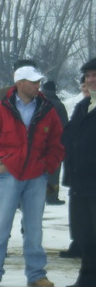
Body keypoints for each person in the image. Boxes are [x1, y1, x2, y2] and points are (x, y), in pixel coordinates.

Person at [0, 65, 65, 287]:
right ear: (20, 83)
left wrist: (46, 166)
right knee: (1, 226)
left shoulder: (47, 110)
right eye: (33, 82)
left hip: (36, 177)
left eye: (38, 82)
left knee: (34, 228)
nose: (37, 86)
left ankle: (36, 274)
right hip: (9, 176)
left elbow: (58, 144)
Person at [62, 58, 96, 287]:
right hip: (80, 182)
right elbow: (68, 137)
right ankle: (87, 278)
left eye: (95, 75)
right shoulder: (83, 106)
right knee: (85, 233)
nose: (91, 80)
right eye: (88, 76)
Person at [60, 74, 90, 259]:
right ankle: (78, 242)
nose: (85, 89)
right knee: (78, 212)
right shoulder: (80, 106)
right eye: (84, 86)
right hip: (76, 169)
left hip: (88, 169)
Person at [41, 80, 68, 205]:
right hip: (54, 144)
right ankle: (51, 197)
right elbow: (65, 126)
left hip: (38, 143)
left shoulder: (36, 102)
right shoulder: (58, 105)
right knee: (53, 171)